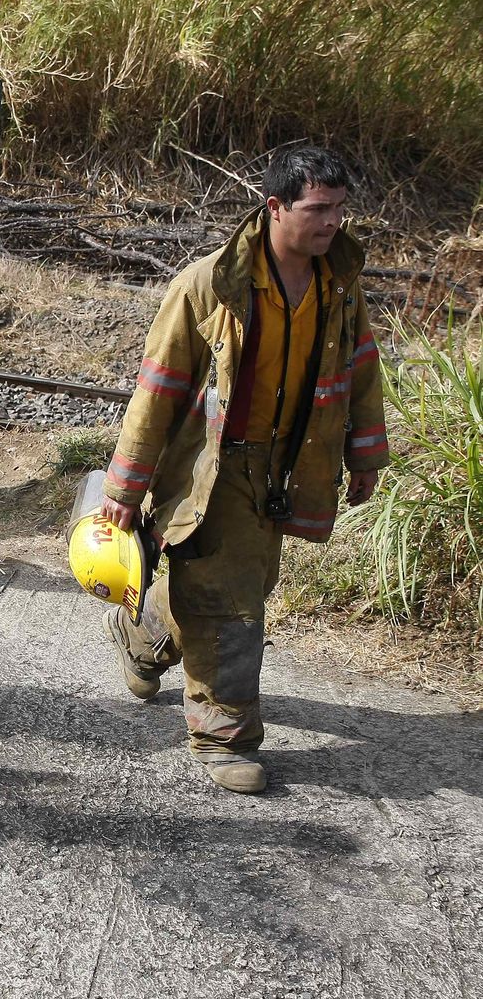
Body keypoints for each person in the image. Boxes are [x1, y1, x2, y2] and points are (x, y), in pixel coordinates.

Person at [99, 144, 389, 794]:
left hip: (293, 463)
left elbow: (360, 366)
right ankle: (224, 736)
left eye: (341, 210)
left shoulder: (338, 281)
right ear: (275, 206)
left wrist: (364, 451)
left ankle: (142, 635)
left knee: (240, 588)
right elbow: (159, 388)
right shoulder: (208, 285)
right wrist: (126, 487)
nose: (332, 223)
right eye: (318, 210)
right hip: (216, 463)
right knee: (231, 606)